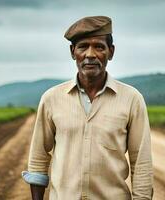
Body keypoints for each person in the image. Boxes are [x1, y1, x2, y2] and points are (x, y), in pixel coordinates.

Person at [22, 16, 153, 200]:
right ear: (72, 51)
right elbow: (38, 159)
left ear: (111, 52)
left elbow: (141, 163)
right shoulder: (52, 98)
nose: (90, 54)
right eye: (83, 46)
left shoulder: (132, 99)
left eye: (99, 46)